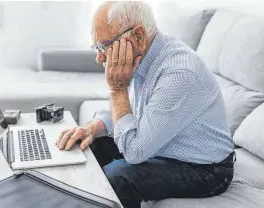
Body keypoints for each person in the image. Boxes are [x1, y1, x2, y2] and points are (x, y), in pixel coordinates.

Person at [56, 1, 235, 207]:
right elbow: (131, 109)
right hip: (163, 145)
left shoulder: (179, 73)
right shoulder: (144, 56)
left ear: (138, 35)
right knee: (89, 144)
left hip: (206, 169)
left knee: (118, 177)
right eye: (96, 47)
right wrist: (92, 127)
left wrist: (117, 90)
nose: (99, 57)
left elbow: (135, 152)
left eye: (104, 46)